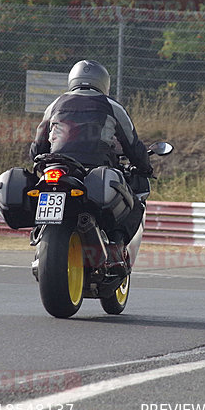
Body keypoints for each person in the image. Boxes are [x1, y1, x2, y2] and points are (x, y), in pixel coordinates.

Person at [29, 59, 152, 275]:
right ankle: (115, 248)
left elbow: (37, 147)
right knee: (135, 206)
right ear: (103, 82)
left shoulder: (55, 105)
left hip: (56, 167)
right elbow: (133, 145)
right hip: (95, 170)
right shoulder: (111, 106)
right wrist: (144, 167)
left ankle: (40, 236)